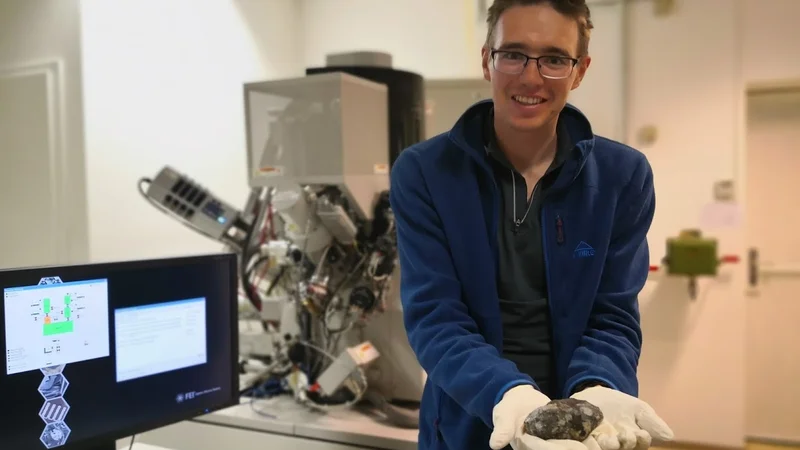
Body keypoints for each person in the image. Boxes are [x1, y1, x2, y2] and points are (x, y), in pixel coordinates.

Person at [388, 1, 676, 450]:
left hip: (583, 430)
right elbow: (435, 316)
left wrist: (599, 390)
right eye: (514, 54)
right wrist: (509, 395)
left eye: (555, 59)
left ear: (579, 71)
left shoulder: (623, 176)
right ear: (487, 59)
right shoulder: (424, 172)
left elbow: (614, 315)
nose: (531, 77)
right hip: (465, 419)